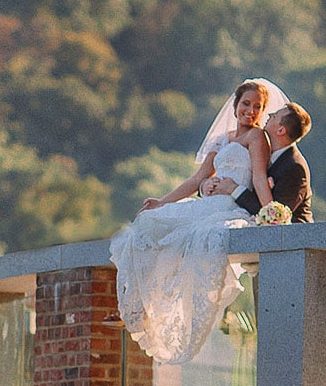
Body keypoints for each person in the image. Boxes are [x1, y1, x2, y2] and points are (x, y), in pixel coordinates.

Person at [108, 79, 288, 364]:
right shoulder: (223, 139)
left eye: (257, 107)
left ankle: (159, 311)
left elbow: (256, 177)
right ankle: (140, 305)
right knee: (148, 225)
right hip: (208, 203)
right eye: (245, 104)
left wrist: (270, 213)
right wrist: (162, 202)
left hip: (229, 206)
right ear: (235, 105)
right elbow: (197, 179)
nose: (250, 111)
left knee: (198, 237)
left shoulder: (256, 139)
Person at [200, 102, 313, 222]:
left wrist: (234, 189)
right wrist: (206, 185)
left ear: (280, 130)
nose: (269, 115)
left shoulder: (294, 168)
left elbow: (274, 217)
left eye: (274, 116)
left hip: (290, 237)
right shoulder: (260, 152)